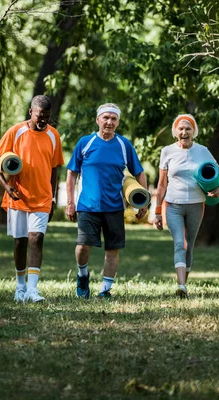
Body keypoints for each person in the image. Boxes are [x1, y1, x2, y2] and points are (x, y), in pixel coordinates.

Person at [66, 103, 148, 299]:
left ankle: (105, 290)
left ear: (118, 122)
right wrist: (70, 202)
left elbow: (139, 173)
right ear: (98, 120)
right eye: (106, 118)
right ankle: (82, 275)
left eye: (113, 119)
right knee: (82, 246)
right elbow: (71, 174)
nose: (109, 122)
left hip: (114, 207)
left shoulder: (123, 145)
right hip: (87, 206)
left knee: (113, 249)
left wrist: (143, 201)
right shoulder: (85, 142)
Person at [0, 95, 64, 303]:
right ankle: (20, 287)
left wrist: (54, 197)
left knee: (36, 239)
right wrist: (5, 186)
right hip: (18, 196)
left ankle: (32, 289)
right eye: (40, 116)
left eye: (47, 117)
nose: (44, 121)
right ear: (31, 112)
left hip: (42, 197)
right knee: (19, 242)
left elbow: (54, 168)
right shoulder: (16, 131)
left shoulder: (53, 136)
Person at [154, 114, 219, 299]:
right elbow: (161, 185)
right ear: (175, 132)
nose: (184, 131)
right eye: (181, 128)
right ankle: (182, 285)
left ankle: (183, 284)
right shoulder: (167, 151)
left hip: (196, 204)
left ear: (194, 132)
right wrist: (158, 211)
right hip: (173, 205)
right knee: (180, 243)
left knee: (190, 246)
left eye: (188, 128)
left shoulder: (202, 151)